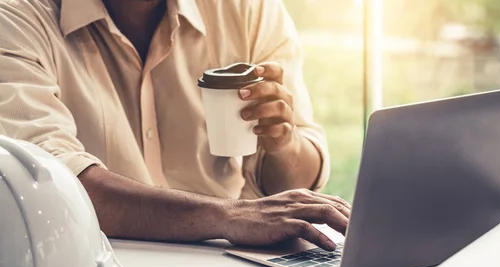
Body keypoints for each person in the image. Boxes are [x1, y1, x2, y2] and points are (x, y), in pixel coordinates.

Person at [0, 0, 351, 250]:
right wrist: (229, 217)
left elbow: (296, 180)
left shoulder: (249, 8)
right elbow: (52, 184)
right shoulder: (15, 17)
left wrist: (283, 145)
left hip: (233, 263)